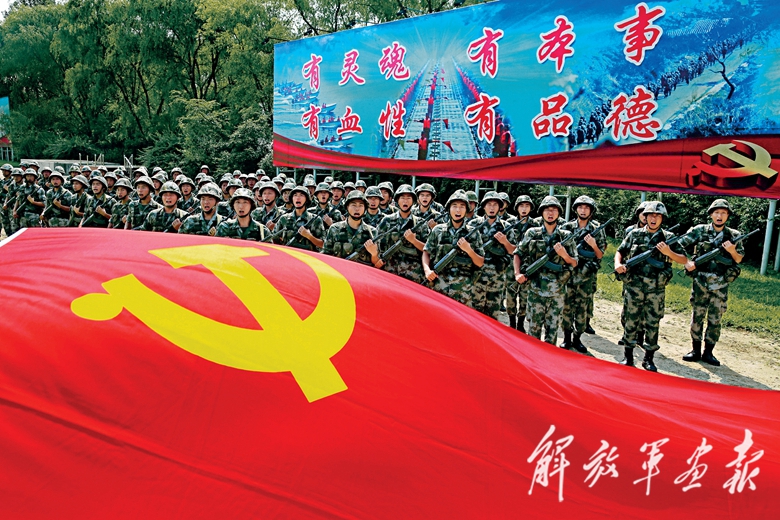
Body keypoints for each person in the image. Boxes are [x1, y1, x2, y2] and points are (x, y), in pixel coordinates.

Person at [614, 201, 688, 371]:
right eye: (651, 215)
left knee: (652, 322)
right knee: (631, 320)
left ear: (662, 218)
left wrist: (668, 252)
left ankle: (648, 358)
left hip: (656, 289)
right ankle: (628, 356)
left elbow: (684, 259)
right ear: (645, 217)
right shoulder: (634, 234)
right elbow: (620, 251)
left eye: (658, 216)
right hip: (634, 286)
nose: (654, 219)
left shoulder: (668, 237)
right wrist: (618, 264)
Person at [676, 199, 745, 366]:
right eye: (716, 212)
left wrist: (732, 250)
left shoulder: (734, 235)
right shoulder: (699, 231)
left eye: (723, 213)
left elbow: (738, 259)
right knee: (697, 316)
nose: (719, 216)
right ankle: (695, 350)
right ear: (711, 214)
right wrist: (687, 262)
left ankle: (708, 352)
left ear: (728, 215)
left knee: (715, 318)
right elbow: (679, 245)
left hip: (720, 283)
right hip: (700, 281)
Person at [514, 196, 578, 345]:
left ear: (559, 213)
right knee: (533, 333)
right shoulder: (532, 233)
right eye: (547, 210)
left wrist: (564, 255)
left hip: (557, 293)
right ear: (541, 212)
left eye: (554, 210)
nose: (550, 213)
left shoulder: (566, 236)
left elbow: (574, 262)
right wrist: (517, 273)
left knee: (552, 333)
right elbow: (518, 253)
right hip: (535, 291)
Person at [560, 196, 607, 355]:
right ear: (575, 209)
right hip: (568, 275)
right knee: (566, 307)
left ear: (591, 211)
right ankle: (566, 337)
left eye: (586, 208)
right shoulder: (566, 227)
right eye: (580, 207)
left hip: (586, 277)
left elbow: (600, 255)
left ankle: (577, 338)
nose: (583, 210)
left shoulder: (597, 230)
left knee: (582, 310)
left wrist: (593, 245)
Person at [423, 189, 485, 308]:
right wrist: (427, 271)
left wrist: (469, 250)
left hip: (464, 291)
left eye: (462, 206)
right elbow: (426, 252)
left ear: (466, 210)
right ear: (449, 209)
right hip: (439, 287)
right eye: (454, 206)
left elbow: (480, 262)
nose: (458, 210)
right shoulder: (438, 230)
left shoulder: (473, 233)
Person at [471, 191, 515, 320]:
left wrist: (505, 242)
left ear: (500, 207)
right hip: (476, 278)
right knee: (475, 316)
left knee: (492, 318)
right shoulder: (473, 225)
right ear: (483, 206)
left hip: (497, 279)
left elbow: (514, 251)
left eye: (495, 204)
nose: (492, 208)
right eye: (489, 204)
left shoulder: (506, 227)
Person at [377, 184, 430, 283]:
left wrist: (414, 241)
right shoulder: (386, 221)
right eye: (402, 198)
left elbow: (428, 250)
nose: (405, 201)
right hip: (390, 274)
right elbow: (377, 246)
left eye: (408, 198)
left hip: (414, 276)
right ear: (397, 200)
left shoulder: (420, 223)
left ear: (413, 201)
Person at [322, 190, 384, 267]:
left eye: (361, 205)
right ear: (347, 207)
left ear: (365, 208)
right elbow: (325, 257)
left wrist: (374, 254)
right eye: (353, 205)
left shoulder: (372, 232)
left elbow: (378, 265)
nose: (357, 209)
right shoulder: (335, 229)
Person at [505, 195, 535, 331]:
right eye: (521, 206)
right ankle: (512, 322)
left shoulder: (536, 225)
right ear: (517, 208)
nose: (524, 209)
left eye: (527, 206)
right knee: (510, 295)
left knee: (525, 296)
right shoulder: (509, 223)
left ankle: (521, 323)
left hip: (528, 265)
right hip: (511, 265)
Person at [273, 185, 325, 251]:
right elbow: (274, 240)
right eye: (295, 195)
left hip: (307, 256)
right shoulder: (284, 219)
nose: (298, 198)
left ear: (307, 199)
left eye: (301, 195)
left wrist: (309, 236)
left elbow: (323, 244)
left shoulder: (316, 220)